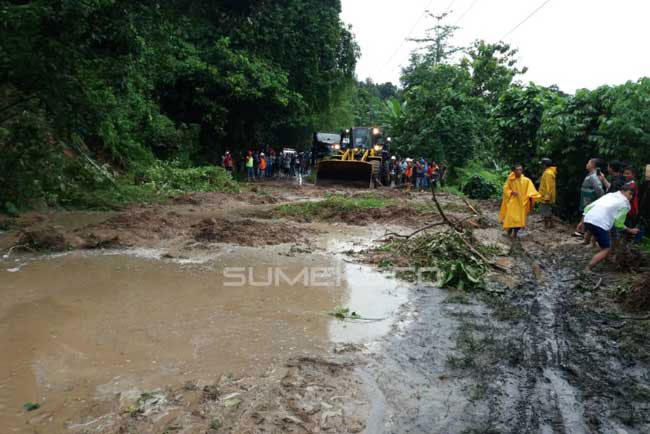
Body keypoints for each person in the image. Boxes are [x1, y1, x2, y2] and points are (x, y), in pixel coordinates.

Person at [578, 184, 640, 272]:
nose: (631, 198)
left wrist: (581, 221)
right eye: (631, 195)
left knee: (605, 240)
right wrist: (630, 230)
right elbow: (618, 224)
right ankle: (588, 268)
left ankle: (606, 259)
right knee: (607, 248)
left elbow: (588, 207)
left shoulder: (609, 195)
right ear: (629, 193)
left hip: (588, 219)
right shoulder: (625, 204)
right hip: (600, 223)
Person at [499, 164, 540, 239]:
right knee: (510, 217)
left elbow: (532, 192)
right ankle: (508, 233)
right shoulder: (510, 180)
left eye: (520, 169)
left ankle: (515, 234)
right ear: (514, 171)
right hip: (513, 202)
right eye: (517, 169)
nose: (519, 171)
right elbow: (505, 189)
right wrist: (511, 192)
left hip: (522, 203)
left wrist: (531, 202)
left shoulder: (527, 180)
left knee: (519, 220)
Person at [538, 158, 557, 229]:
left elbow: (549, 187)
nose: (541, 166)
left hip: (545, 197)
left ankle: (546, 226)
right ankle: (551, 224)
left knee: (545, 211)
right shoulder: (549, 172)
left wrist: (547, 197)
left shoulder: (548, 173)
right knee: (548, 210)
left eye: (542, 164)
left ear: (545, 165)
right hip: (547, 196)